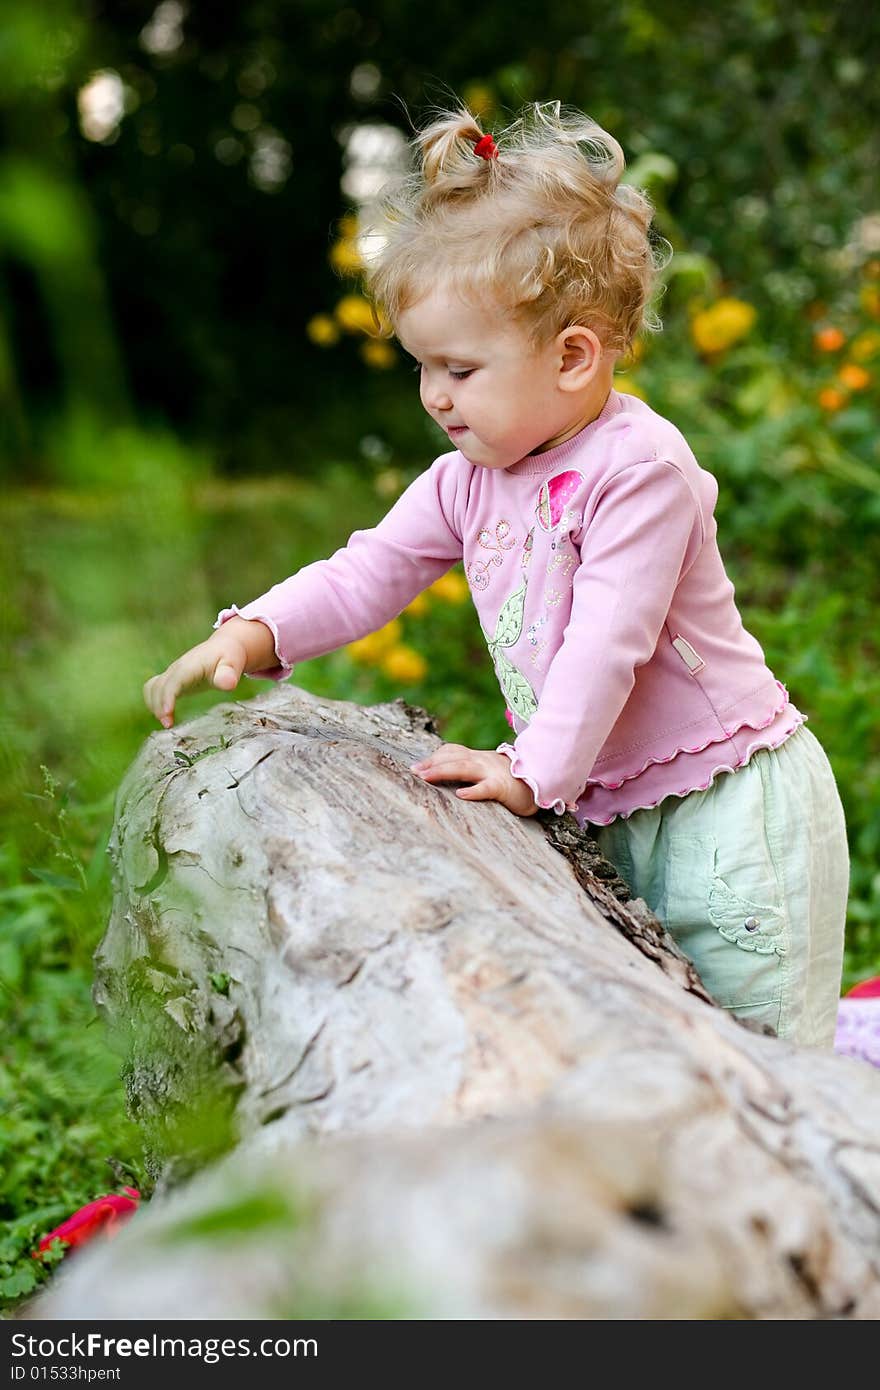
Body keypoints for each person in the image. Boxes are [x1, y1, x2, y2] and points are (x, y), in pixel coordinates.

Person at [143, 100, 850, 1049]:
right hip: (608, 801)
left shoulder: (638, 469)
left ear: (572, 356)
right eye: (422, 367)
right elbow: (370, 569)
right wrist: (254, 630)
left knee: (760, 1049)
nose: (435, 394)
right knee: (657, 1037)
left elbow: (610, 643)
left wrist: (531, 773)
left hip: (727, 816)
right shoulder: (467, 481)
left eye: (461, 368)